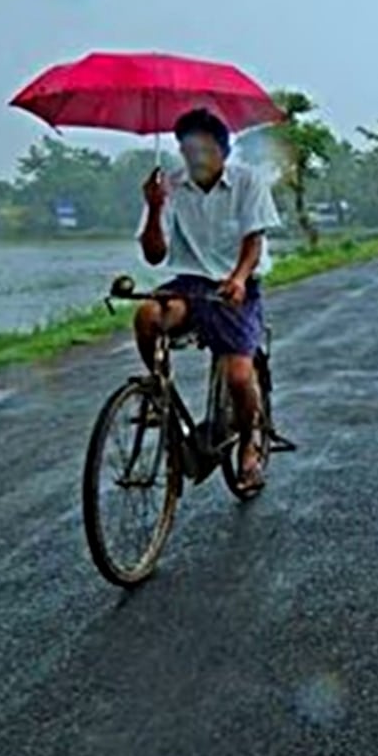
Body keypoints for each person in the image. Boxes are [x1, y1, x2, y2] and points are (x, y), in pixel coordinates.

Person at [134, 107, 283, 492]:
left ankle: (249, 442)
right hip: (189, 285)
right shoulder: (169, 186)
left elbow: (254, 240)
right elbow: (153, 254)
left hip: (235, 286)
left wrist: (237, 278)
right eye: (188, 150)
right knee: (147, 316)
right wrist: (153, 207)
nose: (196, 158)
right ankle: (158, 393)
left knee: (237, 373)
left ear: (223, 151)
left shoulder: (248, 182)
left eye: (204, 150)